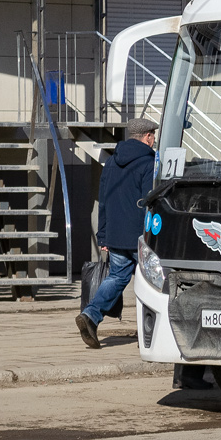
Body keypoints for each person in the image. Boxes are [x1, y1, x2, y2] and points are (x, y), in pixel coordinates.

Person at [77, 117, 159, 348]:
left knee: (117, 277)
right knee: (156, 282)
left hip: (115, 234)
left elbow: (104, 200)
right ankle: (155, 331)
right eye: (153, 136)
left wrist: (103, 235)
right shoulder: (148, 163)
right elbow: (148, 202)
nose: (154, 141)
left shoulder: (112, 162)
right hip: (141, 236)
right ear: (147, 137)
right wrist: (151, 236)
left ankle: (91, 315)